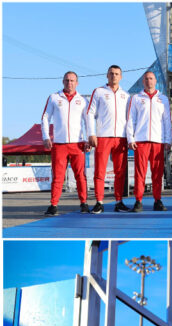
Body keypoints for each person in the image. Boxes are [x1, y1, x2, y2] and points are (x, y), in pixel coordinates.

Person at [41, 71, 91, 216]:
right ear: (62, 82)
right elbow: (45, 117)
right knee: (58, 176)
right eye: (67, 80)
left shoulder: (82, 100)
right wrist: (46, 136)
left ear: (77, 83)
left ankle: (84, 203)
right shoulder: (54, 98)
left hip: (78, 144)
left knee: (80, 175)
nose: (69, 83)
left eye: (72, 81)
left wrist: (88, 139)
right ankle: (53, 205)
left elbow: (88, 121)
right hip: (59, 144)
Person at [87, 65, 131, 213]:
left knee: (120, 171)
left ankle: (119, 201)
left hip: (121, 138)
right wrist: (91, 133)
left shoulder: (126, 95)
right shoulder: (99, 92)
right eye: (111, 74)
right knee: (99, 171)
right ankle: (99, 202)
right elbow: (90, 113)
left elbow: (130, 118)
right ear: (107, 75)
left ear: (121, 77)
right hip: (103, 137)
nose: (114, 76)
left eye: (117, 74)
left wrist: (130, 137)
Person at [126, 71, 171, 212]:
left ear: (155, 81)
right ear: (142, 81)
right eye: (146, 79)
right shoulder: (136, 98)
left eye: (151, 78)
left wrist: (168, 140)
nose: (148, 81)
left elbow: (167, 121)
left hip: (158, 141)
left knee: (157, 173)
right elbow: (130, 119)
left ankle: (157, 200)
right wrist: (130, 138)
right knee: (140, 172)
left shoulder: (163, 99)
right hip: (141, 140)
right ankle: (138, 201)